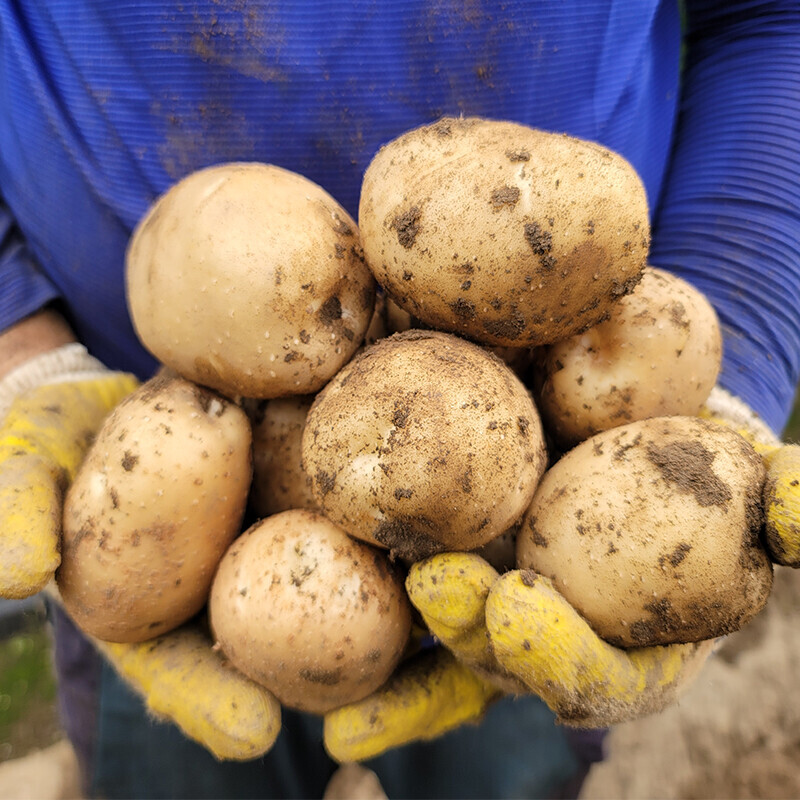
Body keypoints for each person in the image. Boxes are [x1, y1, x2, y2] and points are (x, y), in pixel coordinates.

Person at [1, 2, 799, 798]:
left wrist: (744, 313)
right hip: (137, 423)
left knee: (519, 695)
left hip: (514, 557)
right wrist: (20, 345)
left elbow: (775, 18)